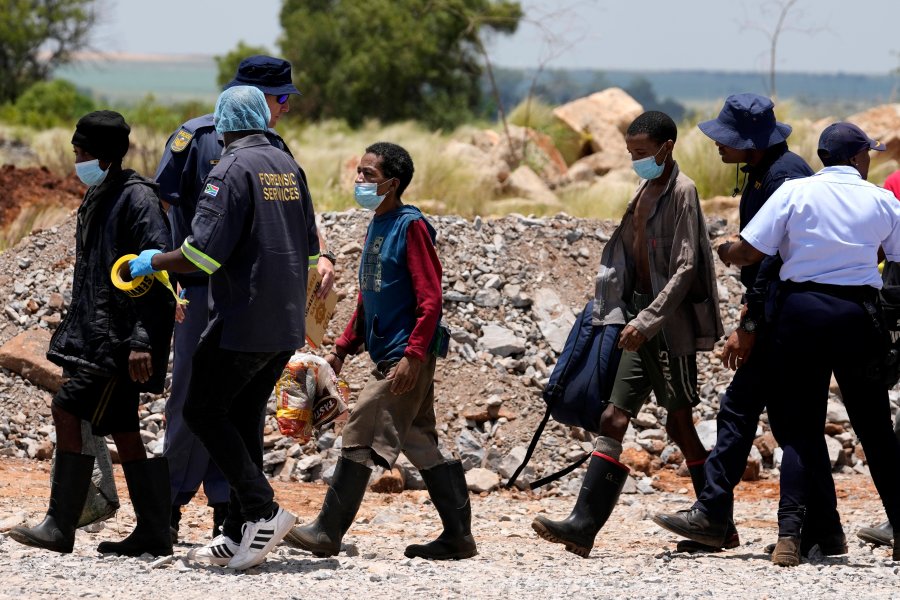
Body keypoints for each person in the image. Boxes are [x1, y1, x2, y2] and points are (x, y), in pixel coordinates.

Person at [129, 86, 318, 570]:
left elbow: (201, 254)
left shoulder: (229, 169)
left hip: (243, 318)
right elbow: (311, 249)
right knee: (242, 417)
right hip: (285, 319)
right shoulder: (286, 166)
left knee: (202, 409)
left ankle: (263, 508)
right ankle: (237, 531)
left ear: (224, 124)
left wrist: (153, 263)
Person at [653, 93, 845, 556]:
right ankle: (824, 529)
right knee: (789, 424)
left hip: (784, 317)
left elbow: (773, 259)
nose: (719, 146)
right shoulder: (763, 172)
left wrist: (751, 322)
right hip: (775, 312)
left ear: (751, 143)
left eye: (728, 139)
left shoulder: (784, 177)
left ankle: (717, 515)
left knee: (744, 410)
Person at [530, 111, 723, 558]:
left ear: (666, 148)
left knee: (679, 425)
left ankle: (717, 519)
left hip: (666, 327)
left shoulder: (683, 192)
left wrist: (647, 320)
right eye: (631, 153)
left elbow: (685, 267)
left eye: (641, 153)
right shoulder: (645, 189)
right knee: (613, 418)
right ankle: (582, 527)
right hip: (636, 320)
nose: (635, 161)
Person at [716, 122, 900, 566]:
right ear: (858, 157)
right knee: (875, 429)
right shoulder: (881, 199)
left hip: (800, 314)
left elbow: (750, 251)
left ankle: (789, 538)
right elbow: (896, 260)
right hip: (858, 315)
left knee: (800, 427)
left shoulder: (794, 193)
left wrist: (723, 250)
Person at [283, 142, 477, 561]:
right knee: (422, 443)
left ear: (393, 183)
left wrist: (413, 355)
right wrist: (342, 348)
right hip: (389, 354)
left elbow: (431, 299)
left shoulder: (412, 227)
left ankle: (328, 530)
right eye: (359, 172)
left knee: (359, 427)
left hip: (405, 358)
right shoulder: (378, 223)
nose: (360, 180)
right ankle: (459, 536)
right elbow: (369, 298)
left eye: (369, 175)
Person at [8, 111, 175, 557]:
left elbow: (157, 275)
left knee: (67, 407)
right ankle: (156, 531)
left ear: (101, 155)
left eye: (81, 153)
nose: (76, 160)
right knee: (123, 428)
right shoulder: (102, 192)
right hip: (102, 336)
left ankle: (60, 525)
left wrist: (142, 340)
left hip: (120, 343)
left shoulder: (137, 200)